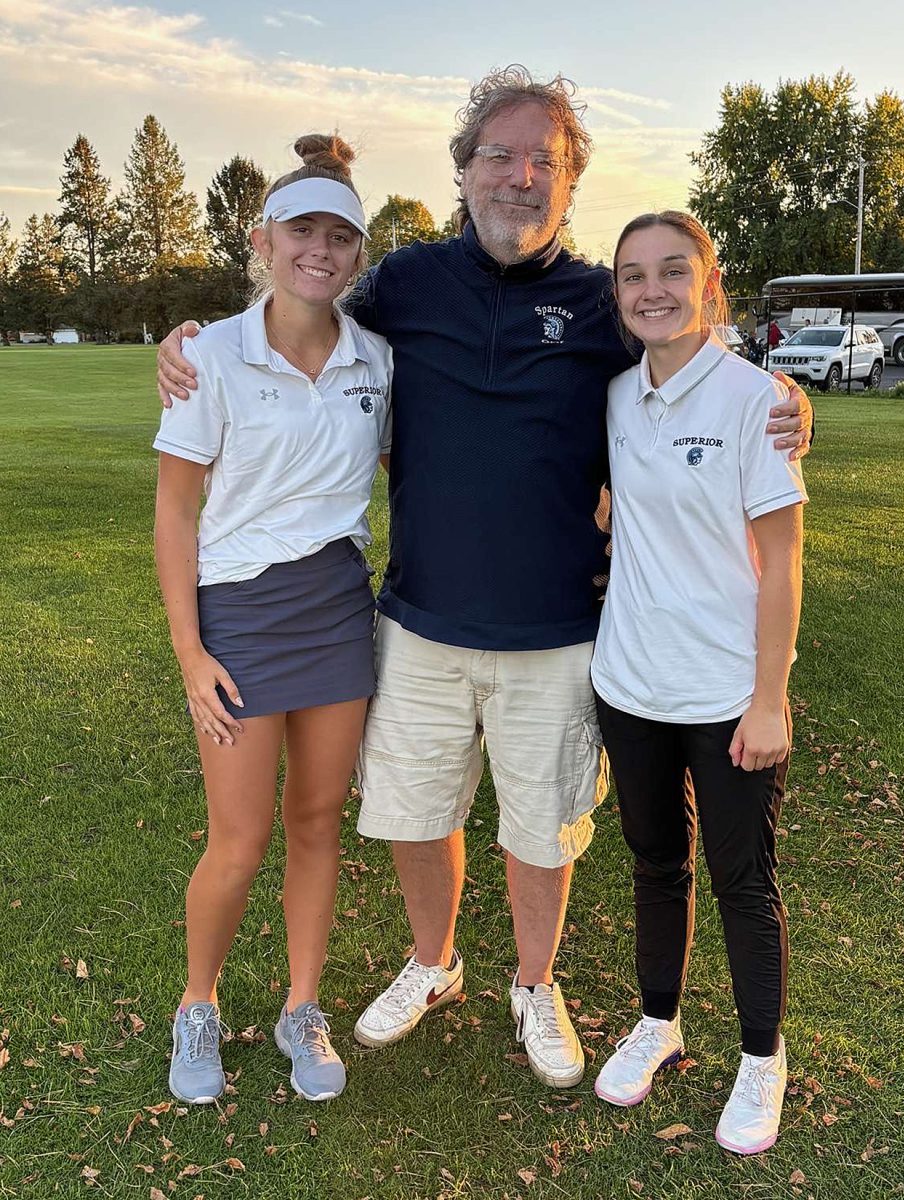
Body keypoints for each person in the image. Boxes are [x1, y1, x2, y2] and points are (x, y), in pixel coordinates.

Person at [156, 66, 812, 1092]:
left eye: (542, 162)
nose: (519, 177)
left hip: (554, 627)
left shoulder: (601, 301)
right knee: (418, 814)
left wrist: (785, 396)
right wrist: (190, 338)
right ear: (463, 172)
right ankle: (434, 962)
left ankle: (534, 982)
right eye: (498, 156)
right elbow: (304, 306)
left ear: (569, 184)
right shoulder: (405, 282)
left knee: (540, 823)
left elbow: (687, 350)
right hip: (417, 619)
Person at [153, 134, 392, 1104]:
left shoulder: (379, 358)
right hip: (239, 617)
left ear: (357, 256)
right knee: (239, 834)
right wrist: (188, 650)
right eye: (303, 230)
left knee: (317, 823)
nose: (320, 250)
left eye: (340, 236)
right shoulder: (208, 354)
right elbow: (175, 510)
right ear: (263, 240)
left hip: (336, 608)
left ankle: (302, 1006)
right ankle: (196, 1005)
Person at [590, 211, 805, 1154]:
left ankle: (761, 1058)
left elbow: (783, 561)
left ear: (709, 283)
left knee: (741, 879)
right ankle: (660, 1022)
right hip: (628, 682)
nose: (652, 290)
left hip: (726, 696)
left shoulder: (758, 400)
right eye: (633, 275)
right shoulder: (614, 397)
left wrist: (770, 696)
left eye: (671, 271)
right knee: (652, 864)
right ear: (618, 295)